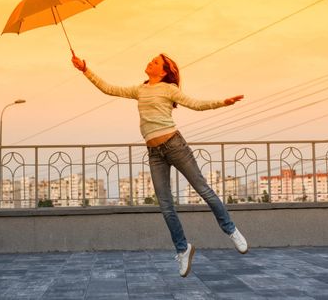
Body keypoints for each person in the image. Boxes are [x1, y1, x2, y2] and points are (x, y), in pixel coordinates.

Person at [71, 53, 248, 277]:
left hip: (175, 145)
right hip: (154, 153)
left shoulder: (169, 89)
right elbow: (108, 88)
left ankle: (231, 230)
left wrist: (222, 103)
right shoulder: (140, 89)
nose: (150, 62)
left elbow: (195, 104)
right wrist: (85, 69)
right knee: (165, 205)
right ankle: (183, 249)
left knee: (203, 189)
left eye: (155, 62)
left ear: (163, 71)